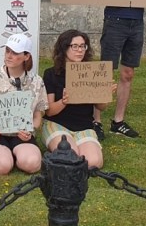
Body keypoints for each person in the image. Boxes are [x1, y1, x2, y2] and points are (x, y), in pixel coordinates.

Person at [0, 33, 47, 175]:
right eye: (7, 51)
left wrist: (31, 129)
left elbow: (39, 113)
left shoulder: (36, 81)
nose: (9, 56)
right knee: (3, 166)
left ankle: (15, 156)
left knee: (32, 164)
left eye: (15, 52)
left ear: (26, 56)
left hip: (21, 134)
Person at [99, 0, 145, 138]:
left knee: (128, 73)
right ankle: (95, 119)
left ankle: (118, 121)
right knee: (105, 72)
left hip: (137, 21)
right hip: (115, 19)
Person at [40, 30, 108, 169]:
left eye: (83, 46)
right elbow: (49, 112)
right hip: (58, 124)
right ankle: (55, 150)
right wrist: (64, 101)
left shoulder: (91, 72)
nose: (80, 50)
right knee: (70, 156)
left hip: (84, 125)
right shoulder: (51, 74)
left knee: (94, 163)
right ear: (64, 48)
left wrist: (102, 93)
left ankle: (58, 153)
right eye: (75, 46)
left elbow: (101, 107)